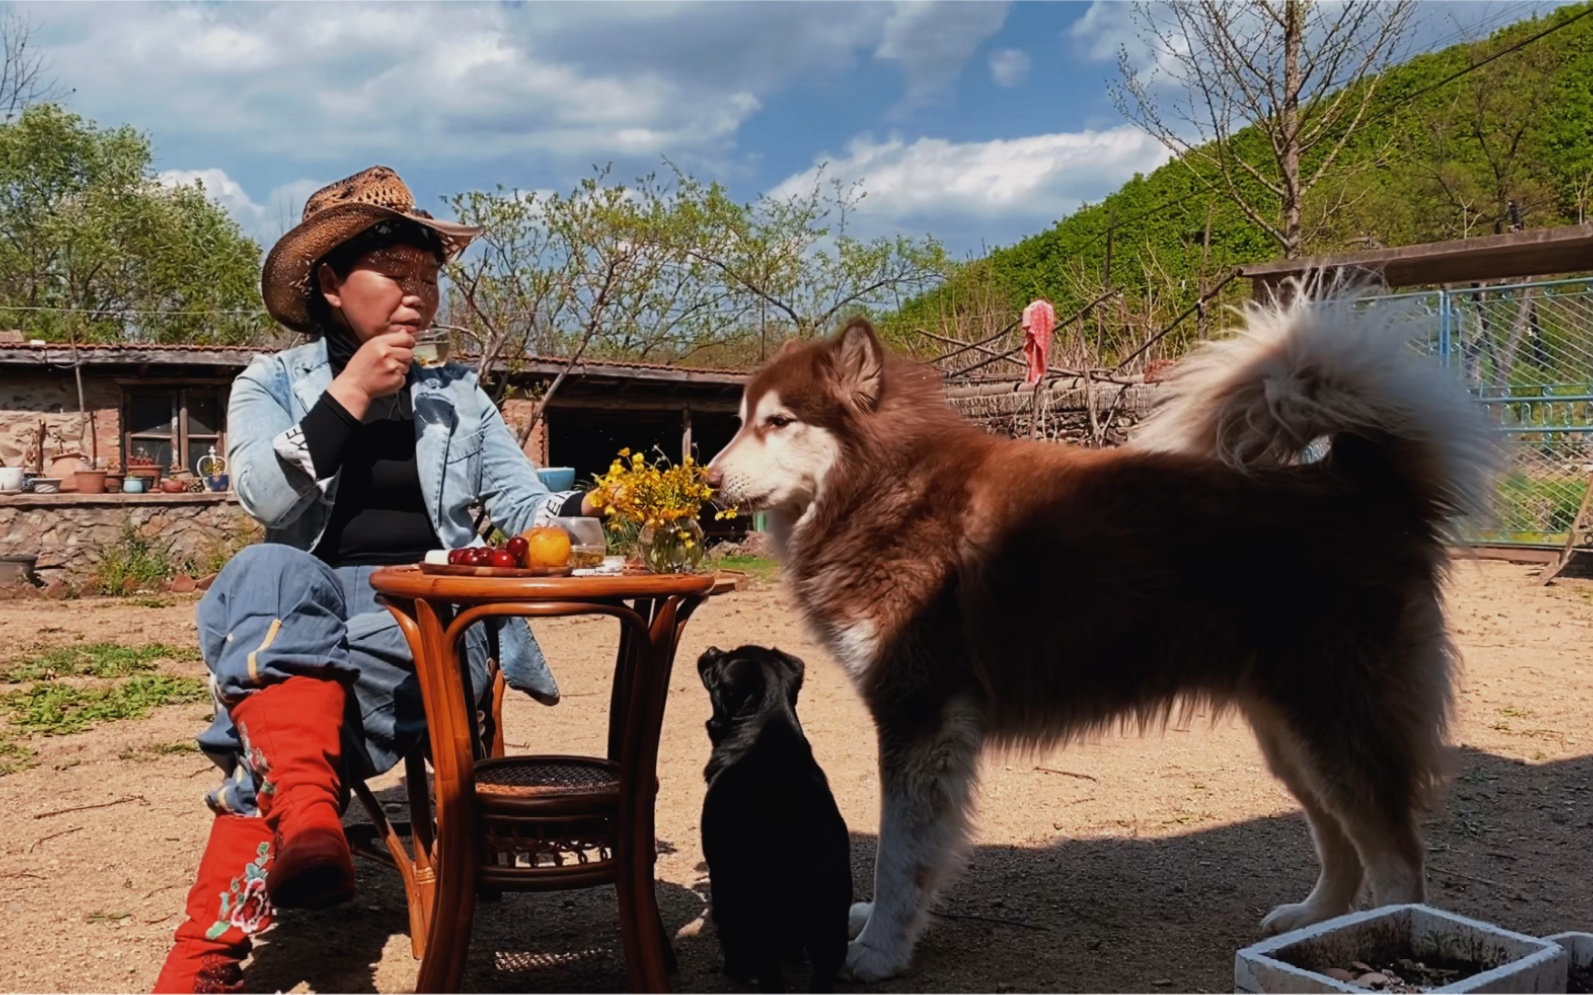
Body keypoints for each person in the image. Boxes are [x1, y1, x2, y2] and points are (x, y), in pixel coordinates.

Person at [154, 166, 604, 993]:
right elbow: (257, 491)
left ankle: (218, 933)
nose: (418, 294)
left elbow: (523, 505)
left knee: (289, 691)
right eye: (394, 275)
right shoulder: (269, 382)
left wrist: (600, 510)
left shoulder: (458, 396)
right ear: (330, 284)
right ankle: (303, 812)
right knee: (266, 563)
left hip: (430, 612)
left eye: (428, 278)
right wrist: (350, 392)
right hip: (300, 607)